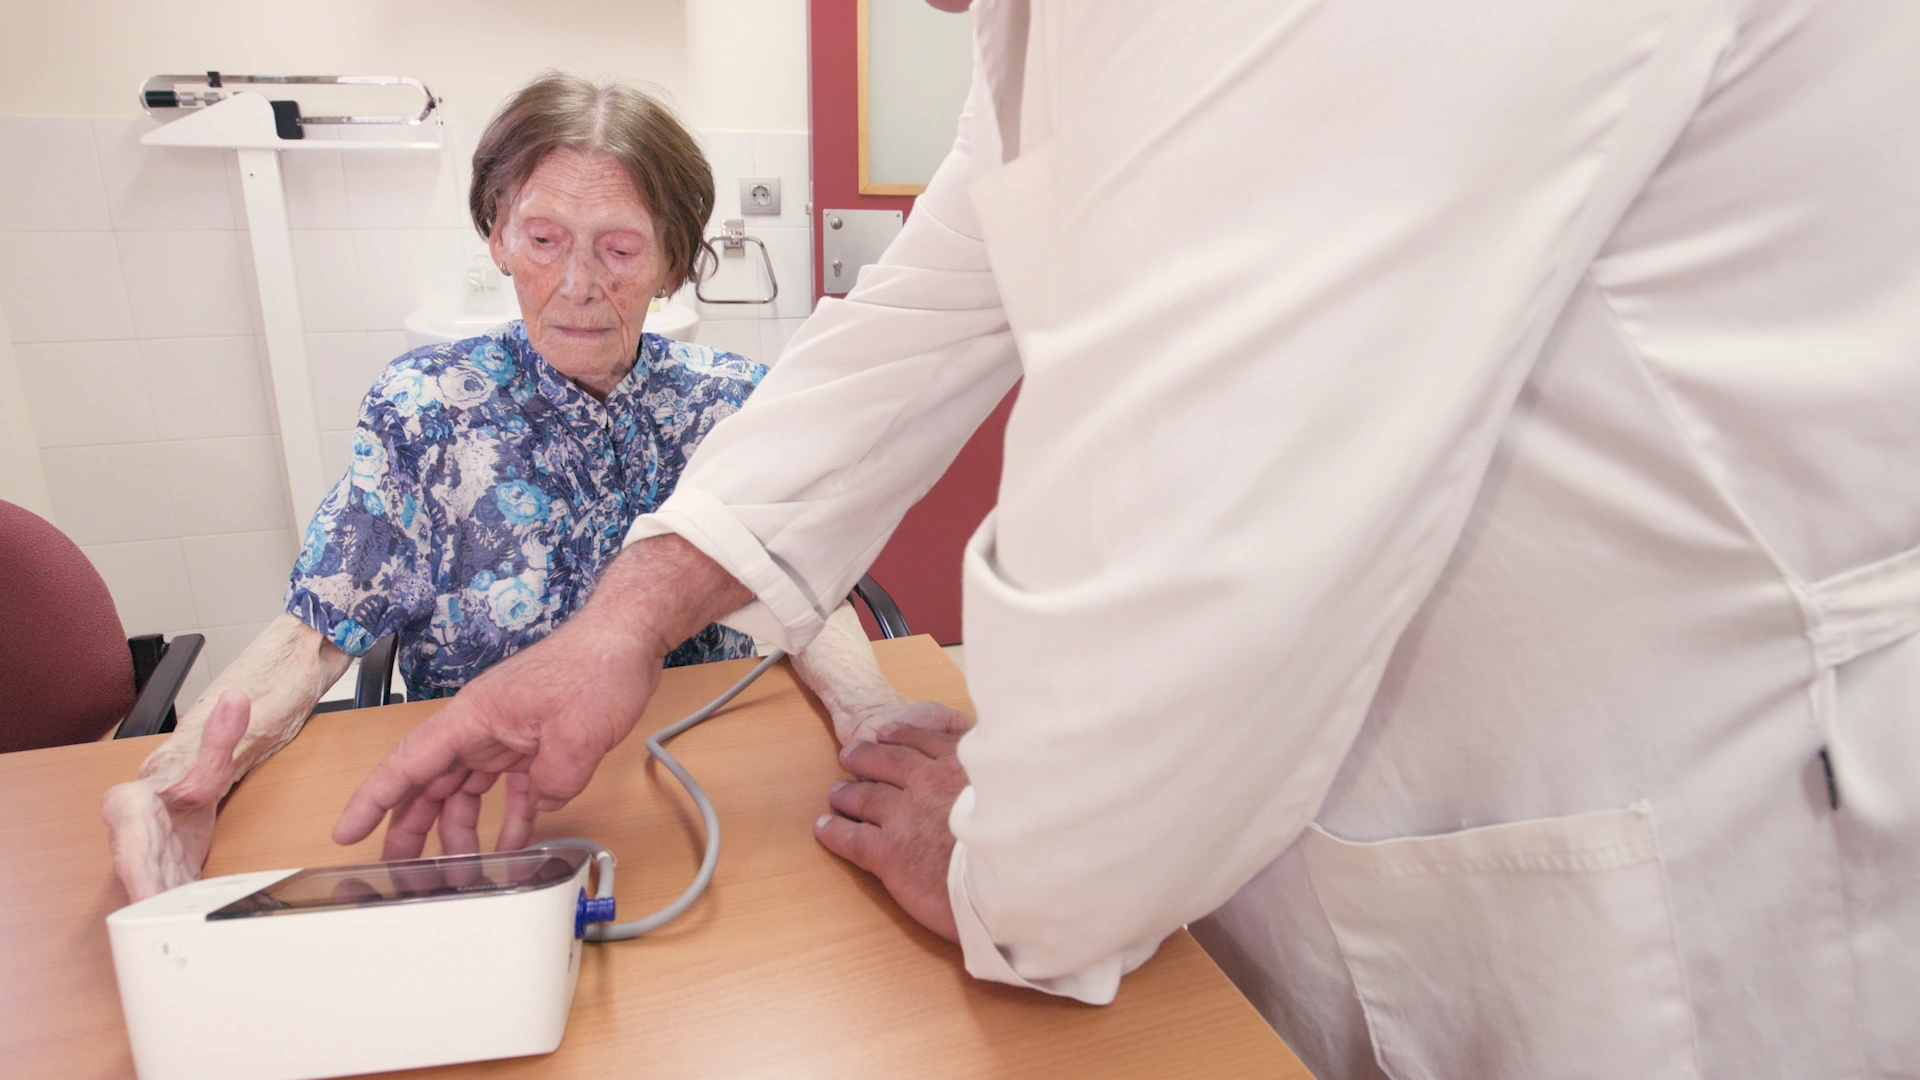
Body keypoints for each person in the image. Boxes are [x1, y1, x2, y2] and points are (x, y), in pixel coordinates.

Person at [333, 3, 1920, 1077]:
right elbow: (908, 333)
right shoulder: (1052, 33)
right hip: (1324, 811)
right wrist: (621, 625)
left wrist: (1018, 860)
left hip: (1690, 809)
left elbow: (1206, 524)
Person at [103, 71, 962, 904]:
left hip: (703, 796)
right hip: (485, 815)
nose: (579, 285)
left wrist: (868, 711)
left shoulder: (729, 400)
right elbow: (317, 631)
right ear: (498, 238)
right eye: (544, 239)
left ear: (672, 266)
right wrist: (183, 773)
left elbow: (800, 582)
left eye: (620, 249)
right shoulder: (426, 409)